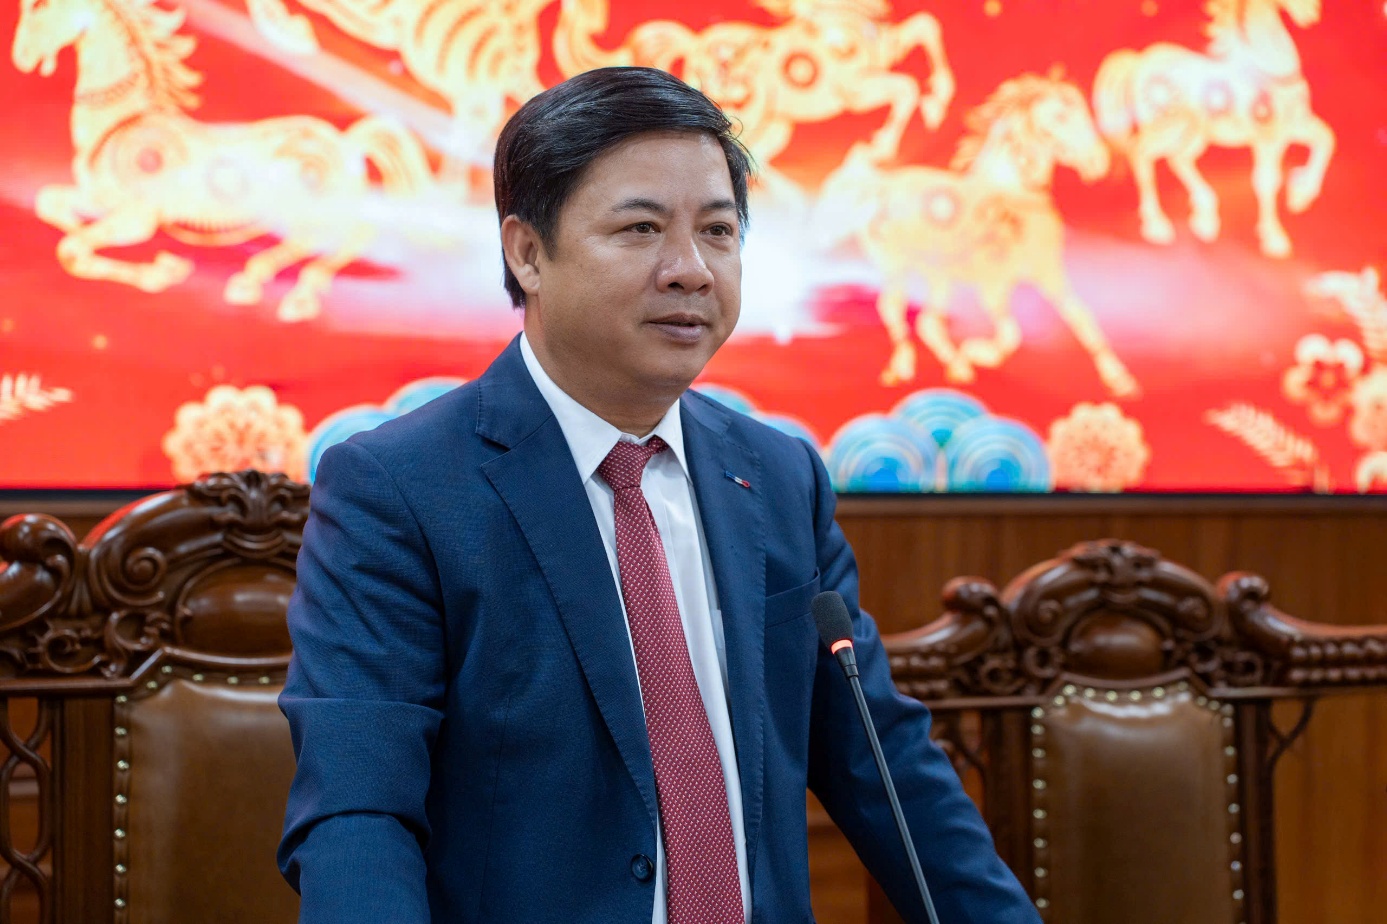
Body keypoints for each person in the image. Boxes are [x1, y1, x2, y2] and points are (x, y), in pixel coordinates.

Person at [278, 66, 1040, 924]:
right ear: (526, 253)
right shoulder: (399, 489)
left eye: (717, 231)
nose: (690, 270)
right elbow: (357, 811)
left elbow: (884, 766)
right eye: (640, 228)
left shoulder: (778, 477)